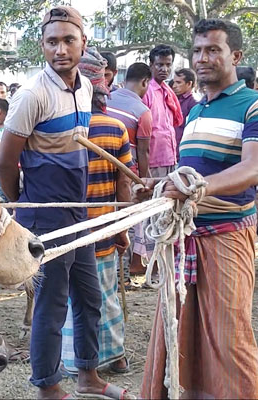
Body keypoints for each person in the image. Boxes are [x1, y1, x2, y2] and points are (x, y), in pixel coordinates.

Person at [0, 7, 133, 399]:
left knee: (89, 299)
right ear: (42, 45)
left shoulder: (86, 89)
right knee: (52, 306)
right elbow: (7, 161)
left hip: (81, 212)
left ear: (83, 44)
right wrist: (23, 204)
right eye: (51, 41)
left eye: (68, 40)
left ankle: (88, 377)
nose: (60, 49)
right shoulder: (31, 94)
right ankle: (48, 385)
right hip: (46, 216)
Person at [139, 18, 258, 399]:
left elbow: (252, 168)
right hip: (186, 237)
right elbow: (190, 171)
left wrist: (191, 186)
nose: (202, 58)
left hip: (227, 238)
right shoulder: (194, 112)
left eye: (213, 50)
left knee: (230, 336)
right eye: (197, 50)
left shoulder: (252, 107)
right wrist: (160, 185)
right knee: (180, 330)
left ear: (235, 56)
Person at [60, 47, 133, 377]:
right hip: (102, 229)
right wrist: (122, 230)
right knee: (104, 295)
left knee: (69, 299)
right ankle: (114, 356)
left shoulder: (56, 129)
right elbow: (123, 191)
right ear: (103, 88)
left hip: (65, 234)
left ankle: (73, 360)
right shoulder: (115, 128)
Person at [107, 63, 154, 281]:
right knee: (127, 225)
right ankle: (122, 275)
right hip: (127, 175)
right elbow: (143, 152)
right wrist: (144, 182)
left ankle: (113, 273)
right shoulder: (143, 112)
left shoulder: (106, 98)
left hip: (102, 173)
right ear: (145, 82)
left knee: (107, 222)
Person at [143, 44, 184, 178]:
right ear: (151, 65)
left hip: (170, 158)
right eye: (159, 65)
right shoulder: (146, 90)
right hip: (153, 161)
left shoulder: (168, 90)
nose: (164, 69)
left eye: (168, 64)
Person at [172, 68, 199, 154]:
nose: (174, 86)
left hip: (183, 151)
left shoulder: (194, 103)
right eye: (174, 82)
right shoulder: (173, 99)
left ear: (189, 84)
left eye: (178, 82)